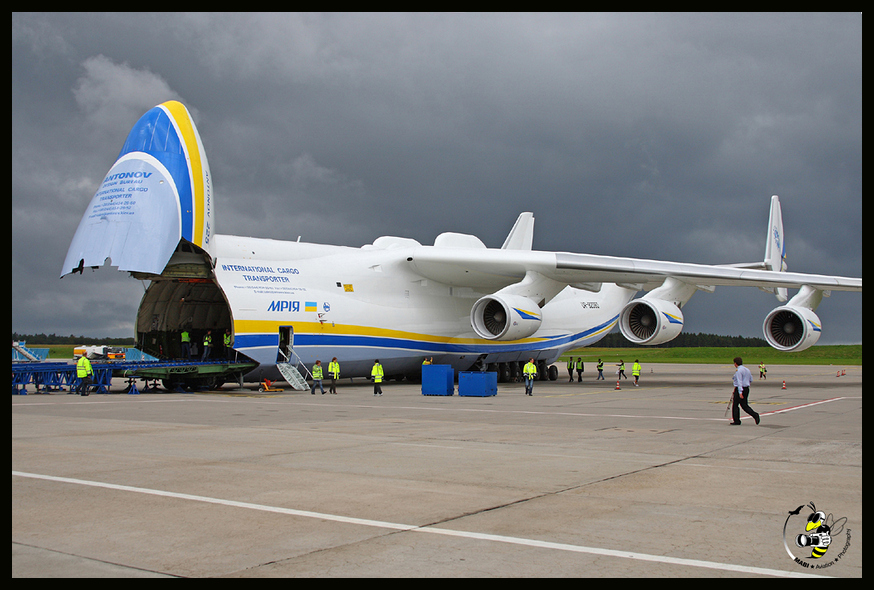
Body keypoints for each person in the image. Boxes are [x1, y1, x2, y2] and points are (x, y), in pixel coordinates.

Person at [730, 357, 760, 425]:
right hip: (746, 388)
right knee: (744, 405)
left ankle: (737, 420)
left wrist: (740, 392)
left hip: (740, 389)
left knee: (735, 405)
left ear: (735, 363)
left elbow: (739, 382)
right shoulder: (747, 369)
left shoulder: (739, 371)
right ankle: (755, 415)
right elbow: (751, 379)